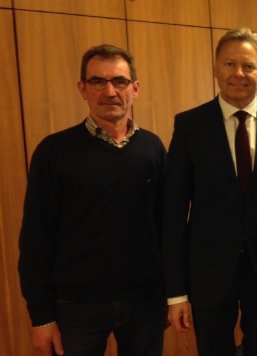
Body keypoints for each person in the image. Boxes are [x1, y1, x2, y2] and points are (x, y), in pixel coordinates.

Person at [162, 27, 257, 356]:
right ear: (216, 68)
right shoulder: (189, 126)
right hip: (207, 272)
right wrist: (176, 293)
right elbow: (173, 212)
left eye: (248, 65)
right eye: (230, 64)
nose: (238, 74)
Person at [18, 44, 167, 356]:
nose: (109, 91)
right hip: (76, 306)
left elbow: (166, 227)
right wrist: (41, 316)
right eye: (98, 82)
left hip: (145, 300)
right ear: (82, 89)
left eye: (120, 81)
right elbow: (35, 238)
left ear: (135, 89)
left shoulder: (153, 148)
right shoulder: (54, 152)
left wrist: (171, 293)